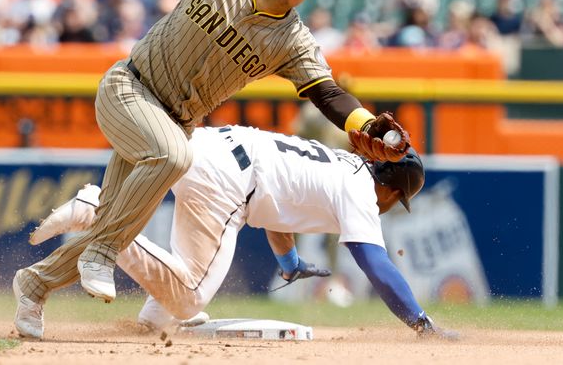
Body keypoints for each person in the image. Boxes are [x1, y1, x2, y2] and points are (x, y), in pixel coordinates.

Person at [12, 0, 411, 339]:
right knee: (172, 160)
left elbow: (327, 92)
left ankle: (34, 285)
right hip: (129, 86)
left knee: (122, 216)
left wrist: (366, 124)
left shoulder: (291, 40)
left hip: (175, 118)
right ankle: (99, 252)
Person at [27, 125, 456, 340]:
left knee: (181, 290)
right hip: (230, 180)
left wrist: (288, 263)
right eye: (394, 198)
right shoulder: (362, 192)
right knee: (192, 296)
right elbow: (376, 264)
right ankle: (96, 211)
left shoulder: (339, 164)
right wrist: (420, 322)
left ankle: (149, 329)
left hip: (211, 148)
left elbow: (277, 215)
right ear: (388, 185)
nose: (387, 208)